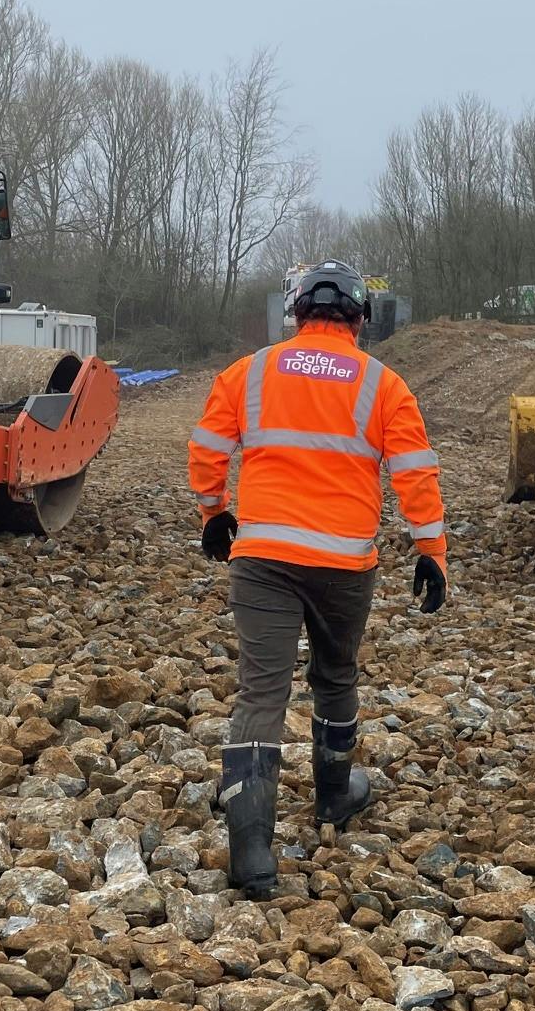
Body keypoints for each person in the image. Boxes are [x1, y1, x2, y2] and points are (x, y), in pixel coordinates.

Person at [188, 259, 448, 895]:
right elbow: (414, 472)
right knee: (335, 675)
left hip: (263, 560)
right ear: (360, 319)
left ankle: (252, 854)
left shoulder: (249, 372)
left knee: (261, 694)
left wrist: (214, 512)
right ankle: (333, 795)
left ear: (297, 312)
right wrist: (430, 550)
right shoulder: (383, 384)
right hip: (343, 565)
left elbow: (207, 448)